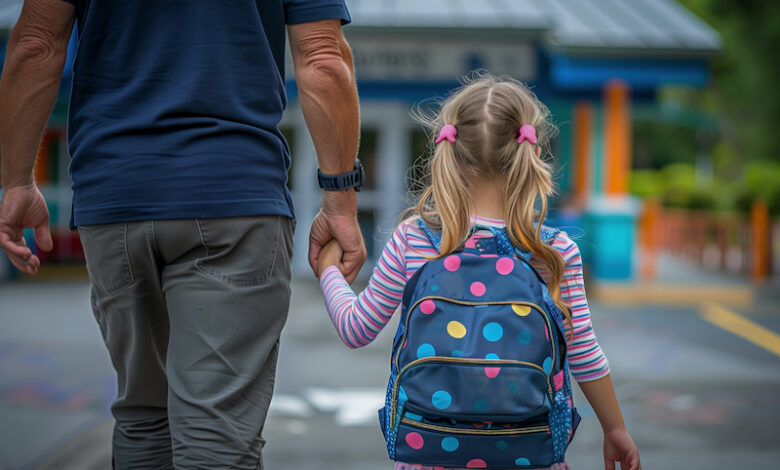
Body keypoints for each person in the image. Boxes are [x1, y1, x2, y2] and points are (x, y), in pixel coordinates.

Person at [0, 0, 366, 468]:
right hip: (234, 197)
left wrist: (15, 180)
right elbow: (323, 59)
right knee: (218, 436)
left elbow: (34, 44)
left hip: (116, 197)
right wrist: (339, 198)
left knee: (142, 419)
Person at [317, 75, 641, 470]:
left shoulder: (414, 238)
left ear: (447, 151)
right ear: (532, 152)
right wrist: (615, 429)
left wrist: (328, 269)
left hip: (429, 450)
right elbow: (586, 356)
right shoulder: (554, 251)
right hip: (528, 450)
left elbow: (356, 329)